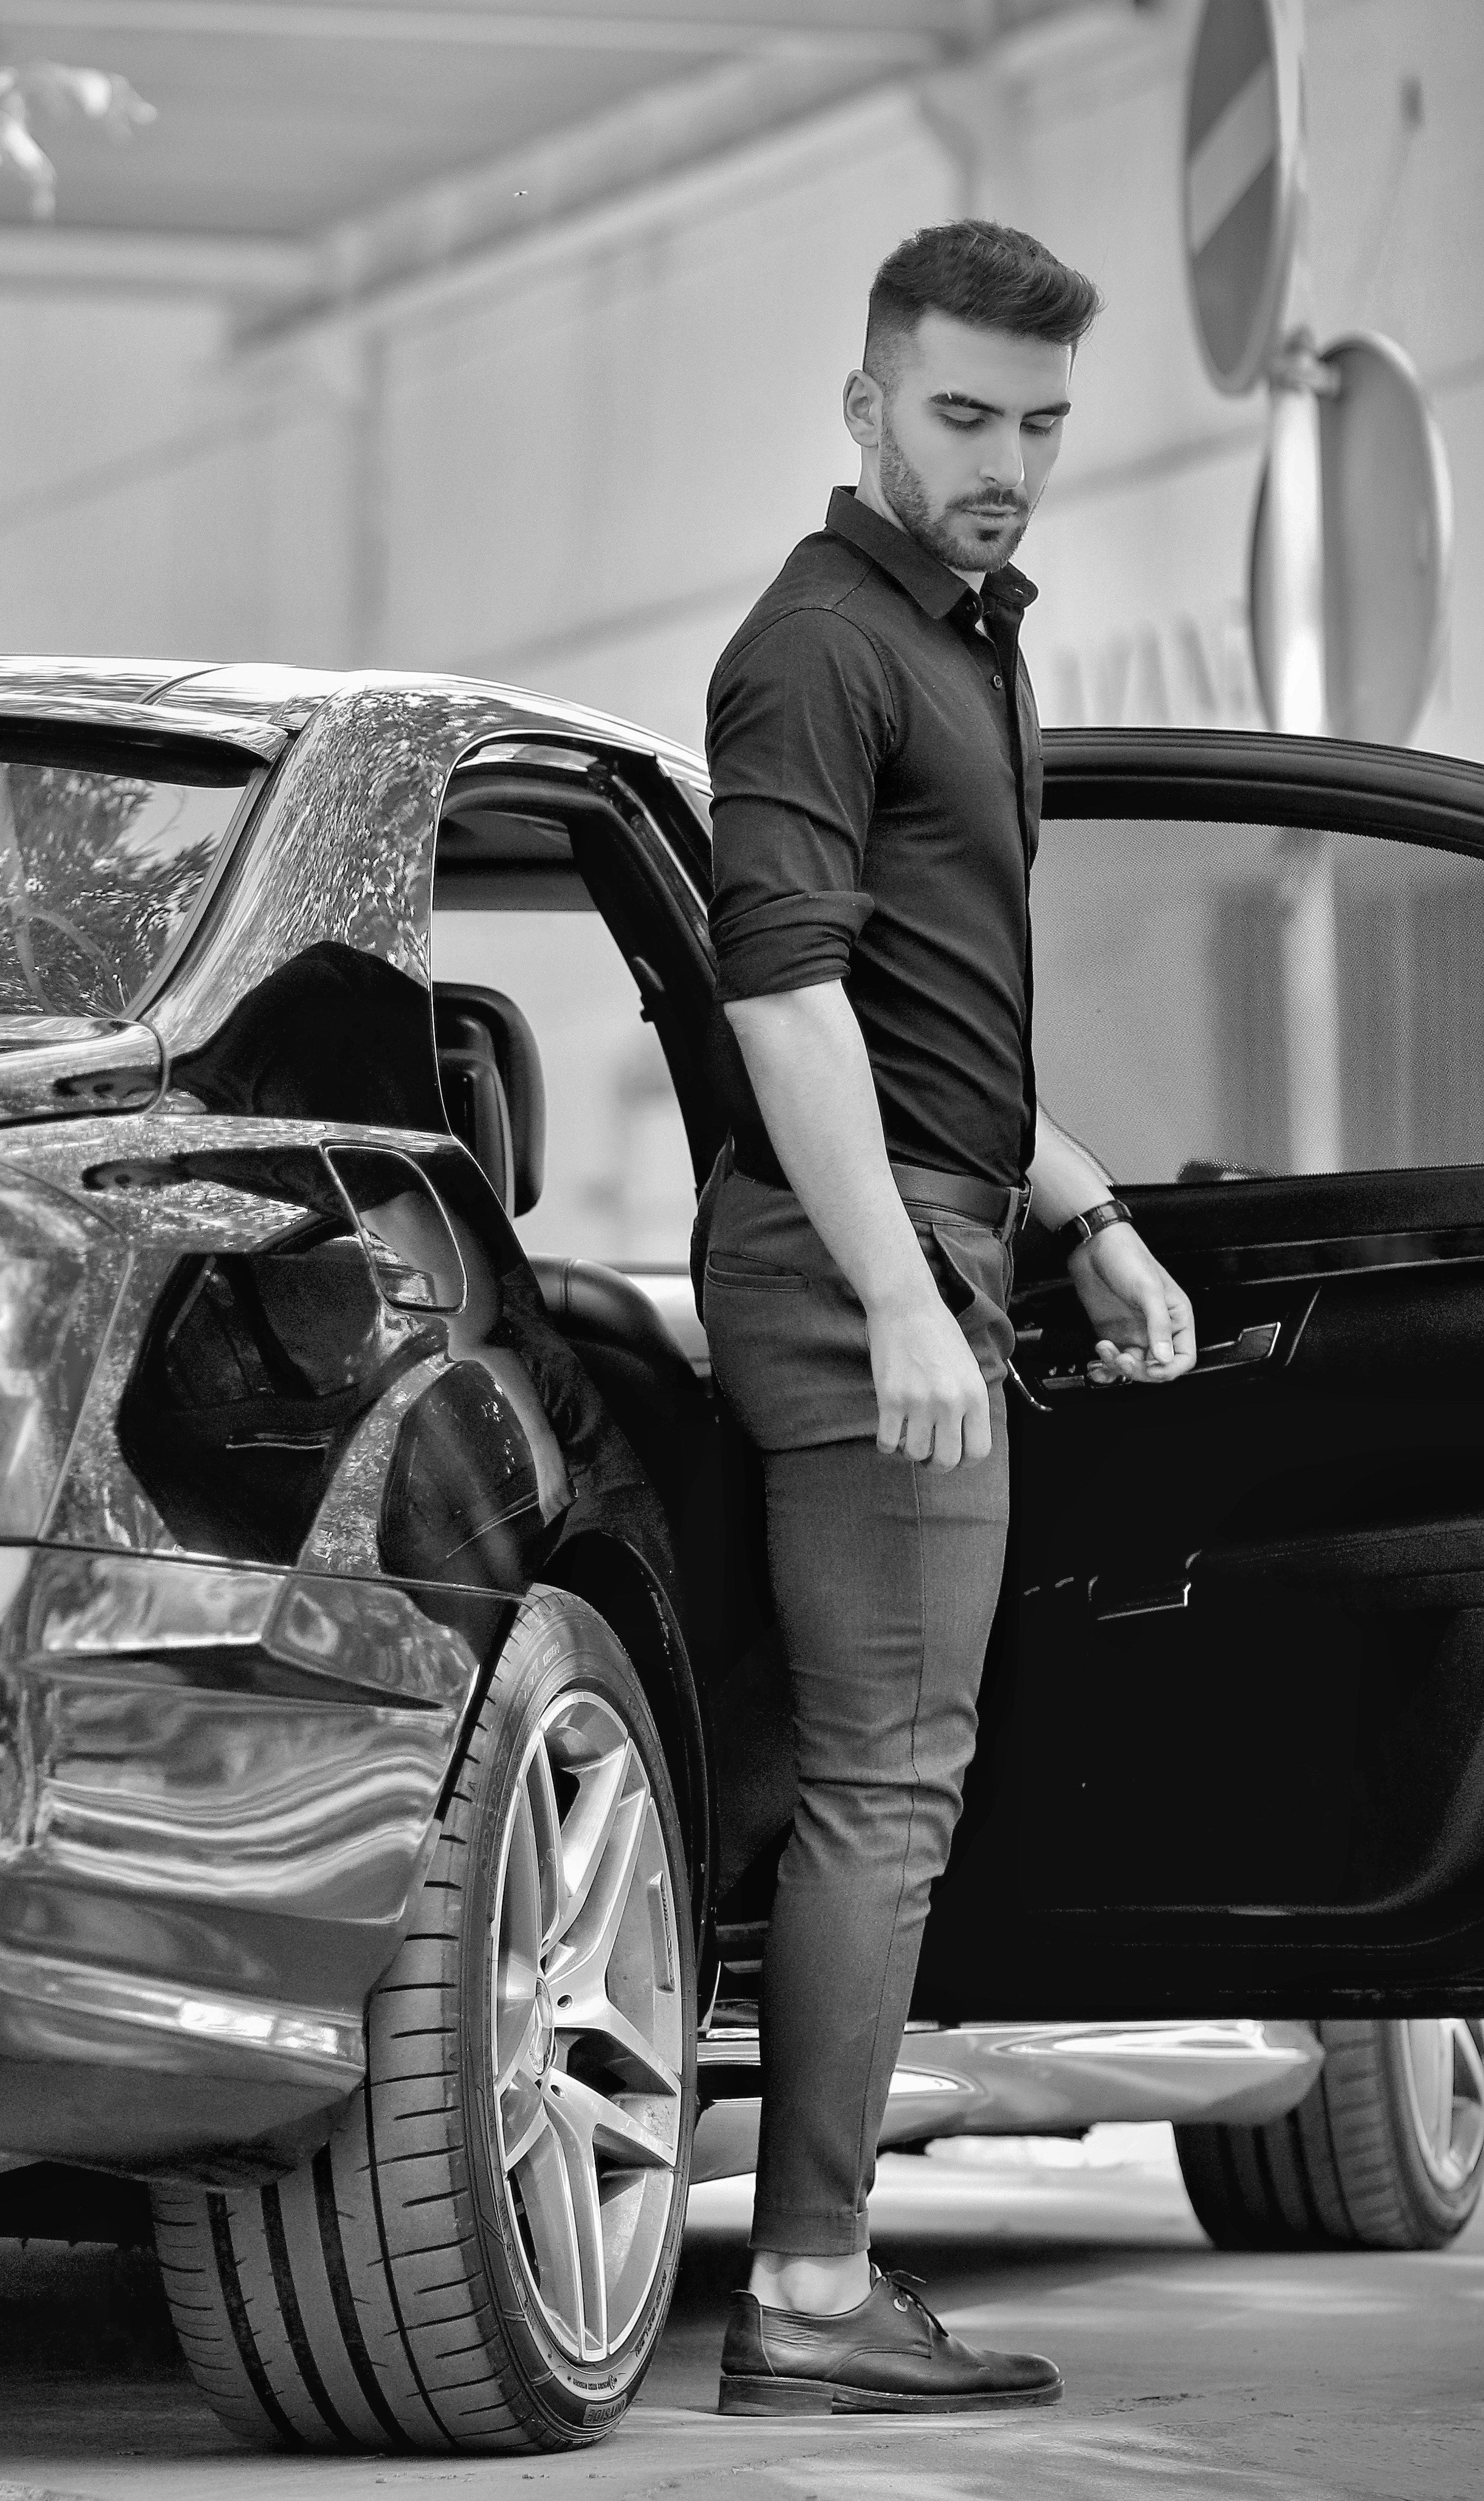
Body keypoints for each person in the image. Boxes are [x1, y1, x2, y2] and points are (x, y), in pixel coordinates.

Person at [699, 219, 1196, 2414]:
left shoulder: (959, 635)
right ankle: (805, 2293)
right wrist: (906, 1293)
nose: (1006, 462)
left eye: (1042, 425)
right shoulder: (815, 644)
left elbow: (922, 1004)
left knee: (878, 1777)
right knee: (887, 1786)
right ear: (866, 406)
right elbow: (782, 987)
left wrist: (1073, 1201)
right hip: (854, 1256)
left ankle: (811, 2269)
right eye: (964, 416)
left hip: (929, 1219)